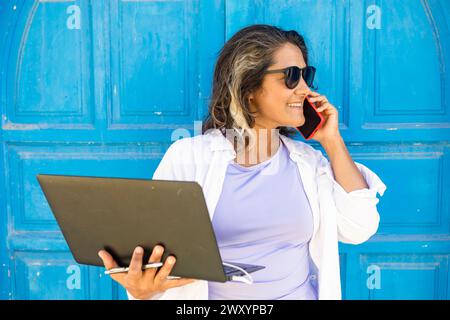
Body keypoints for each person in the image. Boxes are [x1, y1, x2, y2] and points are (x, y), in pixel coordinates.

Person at [98, 24, 387, 300]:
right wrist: (142, 289)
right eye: (290, 76)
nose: (304, 89)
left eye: (306, 75)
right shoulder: (188, 158)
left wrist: (332, 141)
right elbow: (153, 257)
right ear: (248, 90)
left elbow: (360, 227)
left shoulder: (310, 164)